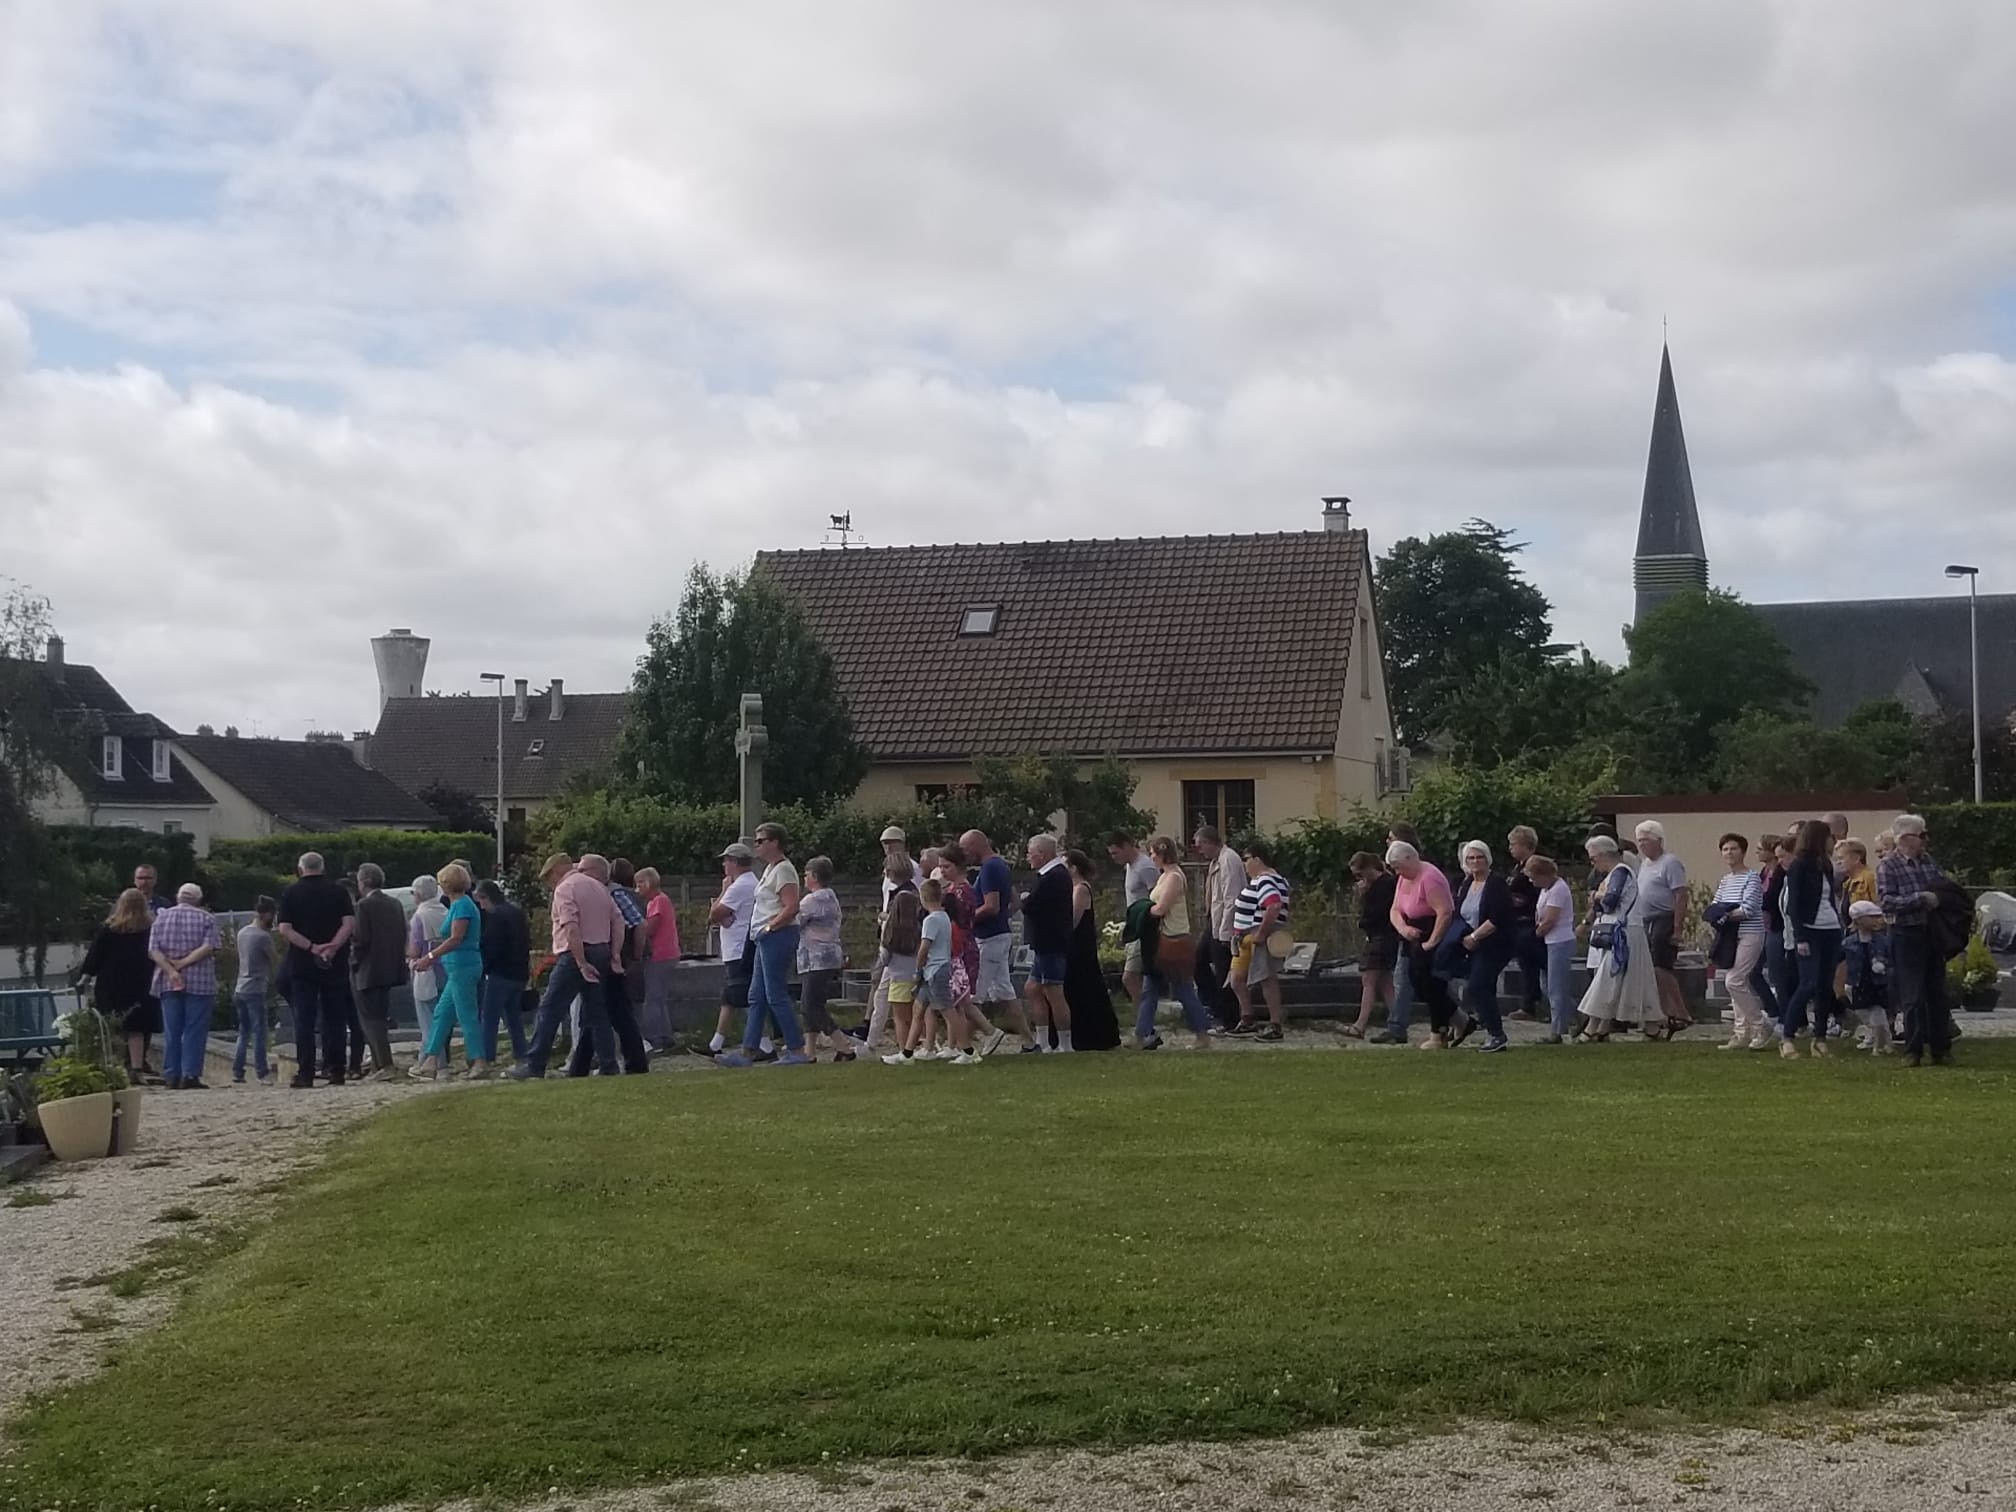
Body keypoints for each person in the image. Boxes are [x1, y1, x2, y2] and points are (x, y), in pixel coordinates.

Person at [511, 853, 630, 1079]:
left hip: (575, 953)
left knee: (550, 1009)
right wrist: (614, 954)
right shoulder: (598, 887)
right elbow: (618, 922)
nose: (549, 884)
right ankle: (608, 1064)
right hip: (602, 949)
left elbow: (571, 927)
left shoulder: (565, 889)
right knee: (597, 1012)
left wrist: (581, 961)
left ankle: (535, 1064)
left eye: (548, 879)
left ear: (556, 872)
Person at [718, 822, 810, 1067]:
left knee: (775, 993)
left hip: (777, 936)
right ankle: (749, 1051)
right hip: (763, 937)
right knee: (756, 995)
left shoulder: (784, 870)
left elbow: (791, 906)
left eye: (760, 841)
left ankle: (796, 1049)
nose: (756, 845)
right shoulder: (770, 869)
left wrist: (770, 927)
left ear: (775, 842)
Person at [1877, 813, 1954, 1067]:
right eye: (1922, 835)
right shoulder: (1889, 866)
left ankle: (1941, 1048)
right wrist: (1920, 899)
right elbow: (1887, 902)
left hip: (1930, 932)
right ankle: (1913, 1050)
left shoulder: (1928, 862)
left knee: (1938, 993)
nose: (1926, 840)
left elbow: (1942, 887)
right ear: (1906, 838)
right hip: (1905, 934)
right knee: (1912, 995)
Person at [276, 852, 356, 1088]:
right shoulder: (339, 892)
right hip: (335, 961)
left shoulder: (291, 892)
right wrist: (332, 947)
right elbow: (349, 924)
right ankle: (337, 1069)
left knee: (305, 1019)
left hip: (302, 963)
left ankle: (306, 1071)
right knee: (336, 1017)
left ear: (300, 869)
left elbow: (285, 929)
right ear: (322, 867)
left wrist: (312, 947)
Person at [1575, 835, 1662, 1040]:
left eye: (1594, 858)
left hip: (1624, 933)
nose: (1592, 863)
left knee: (1608, 977)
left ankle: (1593, 1027)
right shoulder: (1615, 874)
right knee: (1636, 979)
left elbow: (1610, 902)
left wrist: (1597, 896)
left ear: (1604, 855)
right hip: (1625, 931)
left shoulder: (1620, 873)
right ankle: (1651, 1027)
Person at [410, 862, 488, 1080]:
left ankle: (479, 1060)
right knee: (442, 1013)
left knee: (466, 1015)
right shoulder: (457, 905)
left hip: (463, 965)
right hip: (456, 967)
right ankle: (431, 1058)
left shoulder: (462, 905)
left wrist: (430, 956)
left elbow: (456, 938)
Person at [1136, 836, 1213, 1051]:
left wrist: (1141, 911)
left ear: (1162, 854)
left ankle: (1202, 1033)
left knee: (1182, 989)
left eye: (1153, 853)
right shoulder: (1164, 876)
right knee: (1149, 989)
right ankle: (1142, 1034)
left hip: (1175, 939)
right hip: (1162, 939)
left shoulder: (1174, 877)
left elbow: (1161, 908)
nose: (1151, 857)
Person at [1779, 818, 1846, 1060]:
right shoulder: (1799, 866)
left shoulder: (1825, 865)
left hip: (1830, 929)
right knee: (1807, 982)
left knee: (1824, 986)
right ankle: (1787, 1036)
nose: (1833, 841)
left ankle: (1820, 1038)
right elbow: (1794, 904)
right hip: (1810, 929)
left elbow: (1829, 897)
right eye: (1829, 837)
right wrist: (1801, 936)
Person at [962, 829, 1031, 1053]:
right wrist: (1004, 918)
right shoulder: (1000, 865)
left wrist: (967, 919)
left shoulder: (990, 868)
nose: (965, 855)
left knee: (975, 994)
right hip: (1001, 935)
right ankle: (1029, 1041)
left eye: (966, 849)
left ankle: (966, 1045)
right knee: (1004, 990)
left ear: (976, 845)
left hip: (989, 938)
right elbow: (1013, 901)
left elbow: (991, 905)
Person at [77, 889, 157, 1082]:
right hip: (142, 983)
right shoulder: (151, 928)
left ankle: (116, 1067)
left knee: (114, 1027)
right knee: (137, 1029)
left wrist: (85, 977)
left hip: (112, 984)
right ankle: (136, 1068)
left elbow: (95, 956)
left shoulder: (110, 929)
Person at [147, 882, 221, 1090]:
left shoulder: (161, 918)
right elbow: (208, 947)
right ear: (198, 899)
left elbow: (153, 950)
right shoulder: (207, 918)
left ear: (178, 897)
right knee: (194, 1029)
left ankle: (171, 1074)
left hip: (167, 979)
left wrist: (171, 970)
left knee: (172, 1029)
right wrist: (184, 962)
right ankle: (190, 1074)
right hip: (200, 979)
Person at [1445, 841, 1514, 1053]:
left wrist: (1475, 936)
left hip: (1494, 943)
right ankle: (1488, 1026)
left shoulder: (1496, 884)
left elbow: (1498, 917)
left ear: (1487, 858)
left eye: (1479, 857)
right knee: (1480, 986)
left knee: (1477, 986)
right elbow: (1460, 914)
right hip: (1470, 944)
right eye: (1471, 858)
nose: (1475, 862)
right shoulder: (1467, 884)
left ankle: (1496, 1034)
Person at [1386, 841, 1456, 1048]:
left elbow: (1444, 912)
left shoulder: (1429, 878)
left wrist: (1432, 941)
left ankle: (1439, 1032)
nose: (1398, 872)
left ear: (1411, 859)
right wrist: (1403, 929)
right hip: (1412, 934)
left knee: (1432, 983)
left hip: (1431, 931)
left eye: (1399, 866)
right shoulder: (1403, 879)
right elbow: (1395, 909)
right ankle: (1460, 1020)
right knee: (1418, 982)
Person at [1706, 834, 1771, 1051]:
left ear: (1742, 852)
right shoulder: (1726, 880)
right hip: (1729, 936)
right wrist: (1721, 913)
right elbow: (1715, 906)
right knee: (1736, 984)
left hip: (1750, 933)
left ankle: (1761, 1025)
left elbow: (1748, 909)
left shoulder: (1752, 877)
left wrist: (1724, 914)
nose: (1729, 853)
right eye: (1725, 849)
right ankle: (1741, 1032)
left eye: (1733, 848)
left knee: (1734, 980)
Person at [350, 864, 408, 1082]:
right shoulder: (395, 903)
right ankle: (377, 1062)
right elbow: (403, 931)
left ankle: (384, 1063)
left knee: (370, 1018)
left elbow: (361, 939)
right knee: (379, 1015)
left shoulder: (363, 906)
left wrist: (353, 961)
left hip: (368, 969)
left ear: (363, 881)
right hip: (390, 966)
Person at [1633, 821, 1692, 1037]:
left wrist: (1677, 928)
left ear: (1658, 840)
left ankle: (1680, 1011)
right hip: (1647, 919)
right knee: (1652, 968)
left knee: (1662, 967)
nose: (1642, 845)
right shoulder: (1645, 864)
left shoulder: (1670, 863)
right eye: (1639, 841)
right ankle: (1664, 1012)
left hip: (1664, 918)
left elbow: (1681, 894)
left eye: (1646, 840)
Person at [1229, 841, 1292, 1040]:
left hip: (1258, 934)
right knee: (1237, 979)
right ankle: (1248, 1018)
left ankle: (1275, 1025)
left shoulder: (1266, 880)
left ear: (1257, 859)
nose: (1245, 865)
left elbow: (1272, 906)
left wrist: (1262, 933)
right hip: (1245, 936)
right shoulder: (1270, 880)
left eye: (1246, 860)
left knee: (1267, 978)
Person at [1371, 822, 1425, 1045]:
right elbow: (1396, 906)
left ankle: (1458, 1018)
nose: (1387, 841)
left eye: (1391, 838)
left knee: (1425, 980)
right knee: (1403, 979)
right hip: (1406, 931)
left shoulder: (1419, 871)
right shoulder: (1401, 875)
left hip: (1421, 931)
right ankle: (1397, 1026)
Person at [1021, 834, 1075, 1052]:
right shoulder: (1049, 876)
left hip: (1051, 943)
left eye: (1030, 853)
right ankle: (1043, 1041)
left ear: (1042, 854)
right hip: (1043, 943)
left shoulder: (1054, 877)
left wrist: (1025, 899)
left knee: (1054, 991)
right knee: (1032, 988)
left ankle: (1064, 1043)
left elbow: (1031, 904)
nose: (1028, 858)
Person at [705, 844, 760, 1058]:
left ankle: (718, 1043)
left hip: (738, 947)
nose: (723, 865)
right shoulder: (752, 883)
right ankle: (760, 1042)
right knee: (742, 995)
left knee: (734, 994)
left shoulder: (738, 887)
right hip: (741, 945)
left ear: (735, 862)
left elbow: (714, 913)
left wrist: (723, 890)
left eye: (726, 860)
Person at [1062, 849, 1121, 1050]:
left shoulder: (1081, 889)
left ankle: (1097, 1035)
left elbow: (1073, 918)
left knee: (1086, 985)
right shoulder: (1072, 887)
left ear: (1074, 867)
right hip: (1076, 944)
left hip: (1080, 945)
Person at [795, 857, 851, 1062]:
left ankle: (843, 1046)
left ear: (815, 877)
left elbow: (796, 921)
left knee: (810, 1006)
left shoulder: (811, 901)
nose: (804, 877)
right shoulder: (832, 897)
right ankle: (809, 1052)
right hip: (830, 956)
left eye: (807, 874)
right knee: (812, 1002)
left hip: (815, 957)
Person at [1193, 824, 1246, 1030]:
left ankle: (1229, 1019)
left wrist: (1225, 932)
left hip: (1225, 925)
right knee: (1199, 961)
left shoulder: (1228, 860)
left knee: (1224, 971)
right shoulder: (1216, 861)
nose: (1199, 850)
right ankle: (1214, 1007)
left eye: (1200, 846)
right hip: (1214, 922)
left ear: (1209, 842)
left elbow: (1231, 897)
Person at [474, 878, 531, 1066]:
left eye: (481, 901)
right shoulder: (516, 912)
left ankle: (486, 1057)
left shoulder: (496, 916)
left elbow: (493, 946)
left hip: (501, 972)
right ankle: (521, 1054)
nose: (481, 907)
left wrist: (485, 968)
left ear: (486, 897)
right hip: (519, 972)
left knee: (489, 1017)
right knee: (513, 1017)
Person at [1345, 851, 1398, 1040]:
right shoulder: (1384, 883)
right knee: (1384, 981)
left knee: (1369, 979)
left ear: (1367, 870)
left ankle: (1361, 1023)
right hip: (1381, 935)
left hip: (1381, 935)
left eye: (1359, 874)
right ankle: (1397, 1020)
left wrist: (1364, 896)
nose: (1358, 879)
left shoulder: (1383, 885)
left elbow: (1377, 913)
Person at [1526, 856, 1579, 1044]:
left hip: (1560, 940)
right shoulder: (1545, 889)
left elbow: (1550, 919)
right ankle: (1576, 1014)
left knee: (1556, 987)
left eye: (1533, 877)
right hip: (1549, 941)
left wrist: (1536, 934)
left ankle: (1557, 1030)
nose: (1532, 881)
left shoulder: (1559, 889)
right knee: (1546, 985)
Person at [1107, 832, 1161, 1017]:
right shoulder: (1130, 867)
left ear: (1127, 846)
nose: (1114, 858)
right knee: (1140, 978)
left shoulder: (1145, 867)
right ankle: (1145, 1020)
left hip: (1145, 927)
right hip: (1135, 926)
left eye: (1116, 853)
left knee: (1130, 977)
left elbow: (1156, 896)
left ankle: (1144, 1020)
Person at [632, 867, 681, 1053]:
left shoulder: (658, 902)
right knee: (659, 998)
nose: (637, 889)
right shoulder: (660, 901)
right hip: (667, 954)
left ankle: (655, 1038)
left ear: (649, 883)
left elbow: (650, 928)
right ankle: (665, 1036)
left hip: (660, 954)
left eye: (640, 884)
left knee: (652, 999)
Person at [231, 897, 277, 1084]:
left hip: (240, 986)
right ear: (266, 914)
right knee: (260, 1032)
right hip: (256, 987)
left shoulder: (242, 933)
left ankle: (238, 1070)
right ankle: (262, 1071)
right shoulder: (263, 937)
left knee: (244, 1032)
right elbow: (275, 959)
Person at [1504, 826, 1547, 1022]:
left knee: (1539, 962)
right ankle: (1530, 1003)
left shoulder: (1533, 866)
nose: (1510, 848)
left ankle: (1539, 1003)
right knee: (1527, 965)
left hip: (1529, 921)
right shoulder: (1517, 867)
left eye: (1513, 844)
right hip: (1518, 922)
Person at [876, 888, 925, 1062]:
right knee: (916, 1017)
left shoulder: (890, 930)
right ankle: (918, 1046)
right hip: (916, 979)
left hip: (897, 978)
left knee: (899, 1018)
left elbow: (884, 958)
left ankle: (904, 1050)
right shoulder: (918, 928)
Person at [1844, 900, 1894, 1053]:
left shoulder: (1883, 941)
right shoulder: (1848, 943)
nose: (1877, 920)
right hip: (1858, 984)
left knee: (1878, 1016)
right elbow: (1841, 963)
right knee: (1864, 1013)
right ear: (1859, 920)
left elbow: (1891, 960)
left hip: (1877, 983)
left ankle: (1879, 1046)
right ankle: (1880, 1040)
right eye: (1872, 917)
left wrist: (1883, 966)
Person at [407, 874, 447, 1046]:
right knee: (443, 1018)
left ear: (418, 894)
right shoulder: (445, 911)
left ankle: (432, 1060)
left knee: (427, 1019)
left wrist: (410, 958)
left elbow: (415, 948)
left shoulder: (419, 916)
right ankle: (442, 1057)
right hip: (446, 969)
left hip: (426, 971)